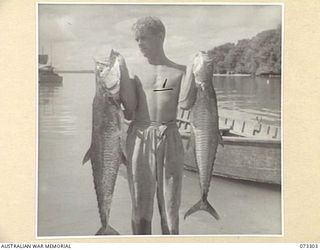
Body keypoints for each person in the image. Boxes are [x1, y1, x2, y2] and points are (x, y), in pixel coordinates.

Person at [118, 16, 195, 235]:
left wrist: (197, 71)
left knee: (170, 205)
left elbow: (188, 105)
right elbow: (130, 110)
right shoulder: (134, 72)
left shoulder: (180, 71)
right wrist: (121, 72)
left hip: (169, 135)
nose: (139, 43)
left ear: (160, 36)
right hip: (140, 135)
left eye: (144, 38)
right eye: (137, 40)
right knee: (140, 206)